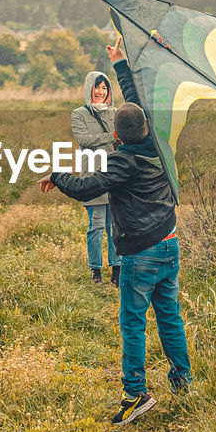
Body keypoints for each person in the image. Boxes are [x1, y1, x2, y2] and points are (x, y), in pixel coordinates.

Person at [40, 38, 193, 425]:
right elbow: (136, 100)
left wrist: (57, 176)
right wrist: (121, 63)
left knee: (133, 322)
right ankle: (183, 382)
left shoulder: (122, 163)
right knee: (170, 315)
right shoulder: (158, 141)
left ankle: (135, 394)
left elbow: (86, 188)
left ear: (118, 136)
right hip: (170, 243)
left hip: (140, 253)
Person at [71, 71, 120, 286]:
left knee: (115, 227)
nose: (100, 92)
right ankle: (96, 271)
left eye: (104, 88)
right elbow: (84, 139)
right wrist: (112, 137)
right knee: (96, 226)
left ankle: (117, 270)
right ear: (89, 88)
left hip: (115, 176)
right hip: (92, 176)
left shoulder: (116, 112)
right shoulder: (79, 114)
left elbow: (124, 136)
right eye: (97, 87)